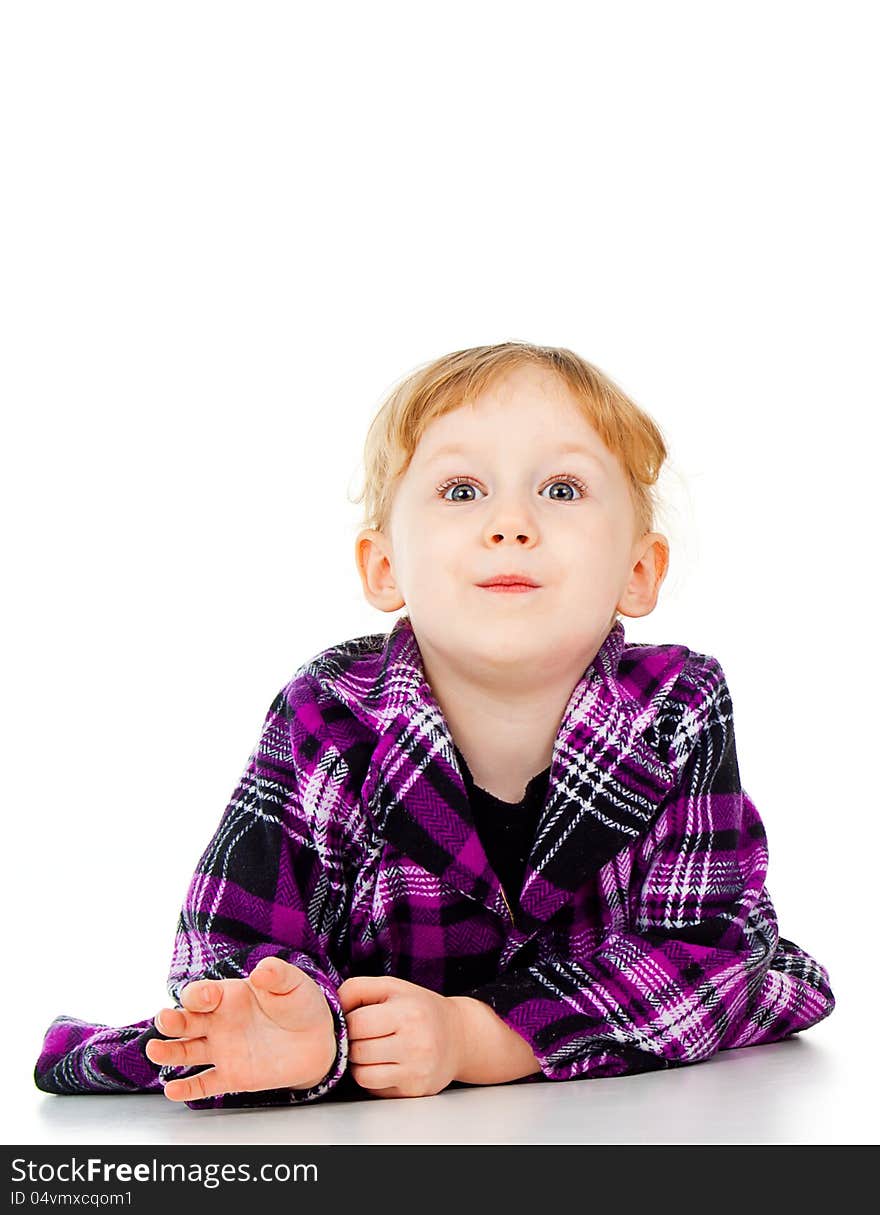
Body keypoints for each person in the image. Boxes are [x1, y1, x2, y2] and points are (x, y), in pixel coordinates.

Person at [34, 342, 835, 1110]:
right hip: (369, 1047)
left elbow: (711, 953)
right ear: (384, 568)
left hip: (602, 1039)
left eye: (561, 489)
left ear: (639, 570)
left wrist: (480, 1037)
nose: (511, 523)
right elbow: (229, 939)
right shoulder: (330, 713)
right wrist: (309, 1028)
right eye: (461, 492)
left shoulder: (676, 708)